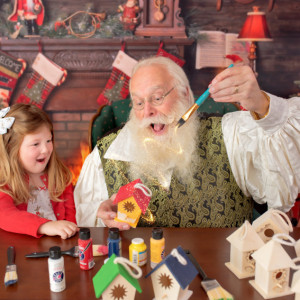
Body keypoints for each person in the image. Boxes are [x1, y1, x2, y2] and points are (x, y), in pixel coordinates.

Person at [74, 56, 300, 229]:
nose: (148, 111)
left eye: (157, 97)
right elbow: (90, 226)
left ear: (184, 94)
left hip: (225, 276)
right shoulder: (106, 155)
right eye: (139, 103)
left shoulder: (231, 136)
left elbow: (282, 171)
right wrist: (103, 218)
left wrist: (261, 104)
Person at [0, 104, 78, 238]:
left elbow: (71, 216)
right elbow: (4, 214)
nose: (46, 149)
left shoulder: (60, 176)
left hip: (58, 248)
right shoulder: (5, 183)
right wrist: (44, 225)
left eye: (48, 140)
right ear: (12, 149)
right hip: (25, 251)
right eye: (36, 144)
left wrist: (70, 234)